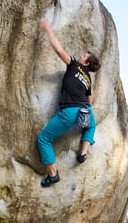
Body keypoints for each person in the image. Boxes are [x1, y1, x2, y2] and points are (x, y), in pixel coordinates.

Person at [37, 19, 101, 187]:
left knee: (43, 139)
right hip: (85, 110)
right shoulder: (88, 78)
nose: (80, 56)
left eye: (83, 56)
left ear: (85, 63)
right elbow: (90, 100)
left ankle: (53, 174)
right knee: (91, 125)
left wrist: (47, 29)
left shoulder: (74, 65)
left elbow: (59, 50)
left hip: (70, 112)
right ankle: (83, 153)